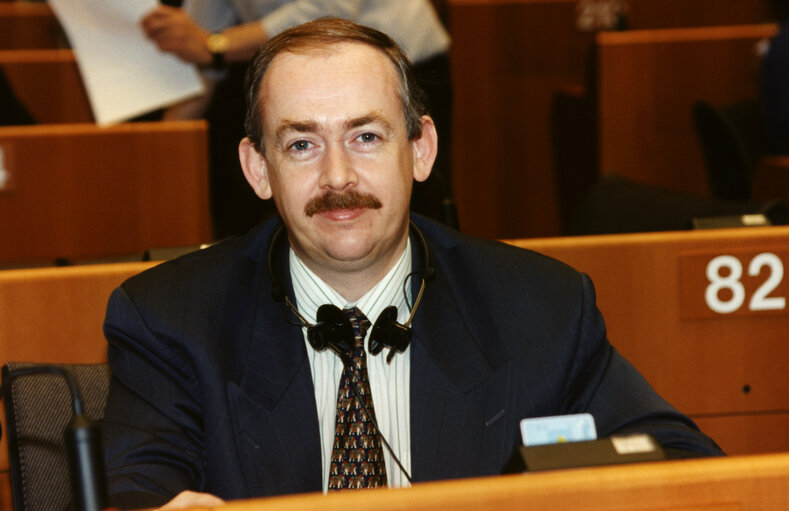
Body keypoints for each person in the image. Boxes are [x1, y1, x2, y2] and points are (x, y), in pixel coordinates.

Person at [101, 18, 723, 510]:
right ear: (258, 168)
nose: (338, 177)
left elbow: (683, 468)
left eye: (366, 137)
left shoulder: (541, 308)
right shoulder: (169, 321)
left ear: (421, 149)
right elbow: (137, 490)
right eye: (301, 144)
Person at [141, 0, 454, 238]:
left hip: (394, 66)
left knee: (406, 217)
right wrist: (164, 140)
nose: (337, 174)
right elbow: (202, 38)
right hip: (288, 74)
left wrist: (216, 46)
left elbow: (329, 9)